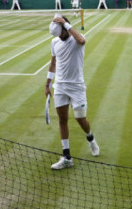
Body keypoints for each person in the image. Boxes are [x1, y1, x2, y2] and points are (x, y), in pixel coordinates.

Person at [45, 16, 99, 170]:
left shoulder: (76, 39)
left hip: (76, 87)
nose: (59, 37)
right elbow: (53, 63)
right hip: (60, 86)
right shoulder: (55, 42)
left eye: (61, 33)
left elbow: (82, 41)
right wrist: (47, 84)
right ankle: (67, 157)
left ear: (65, 27)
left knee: (80, 118)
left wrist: (66, 24)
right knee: (62, 119)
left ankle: (90, 138)